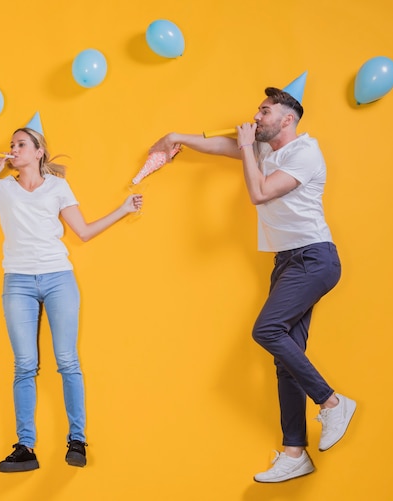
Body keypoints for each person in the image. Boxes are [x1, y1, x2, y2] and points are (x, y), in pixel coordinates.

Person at [150, 86, 356, 483]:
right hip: (286, 262)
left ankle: (332, 403)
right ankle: (295, 451)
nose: (256, 117)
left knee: (266, 330)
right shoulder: (265, 150)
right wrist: (177, 137)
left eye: (264, 111)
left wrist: (247, 147)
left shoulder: (304, 152)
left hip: (314, 258)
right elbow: (220, 146)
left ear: (287, 119)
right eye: (257, 112)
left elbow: (260, 193)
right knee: (285, 359)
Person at [0, 126, 142, 472]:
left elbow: (83, 232)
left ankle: (77, 440)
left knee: (67, 361)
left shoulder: (58, 186)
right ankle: (25, 447)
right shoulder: (2, 188)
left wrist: (123, 209)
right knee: (24, 365)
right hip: (18, 282)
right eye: (12, 145)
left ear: (39, 152)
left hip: (58, 279)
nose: (14, 149)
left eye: (21, 144)